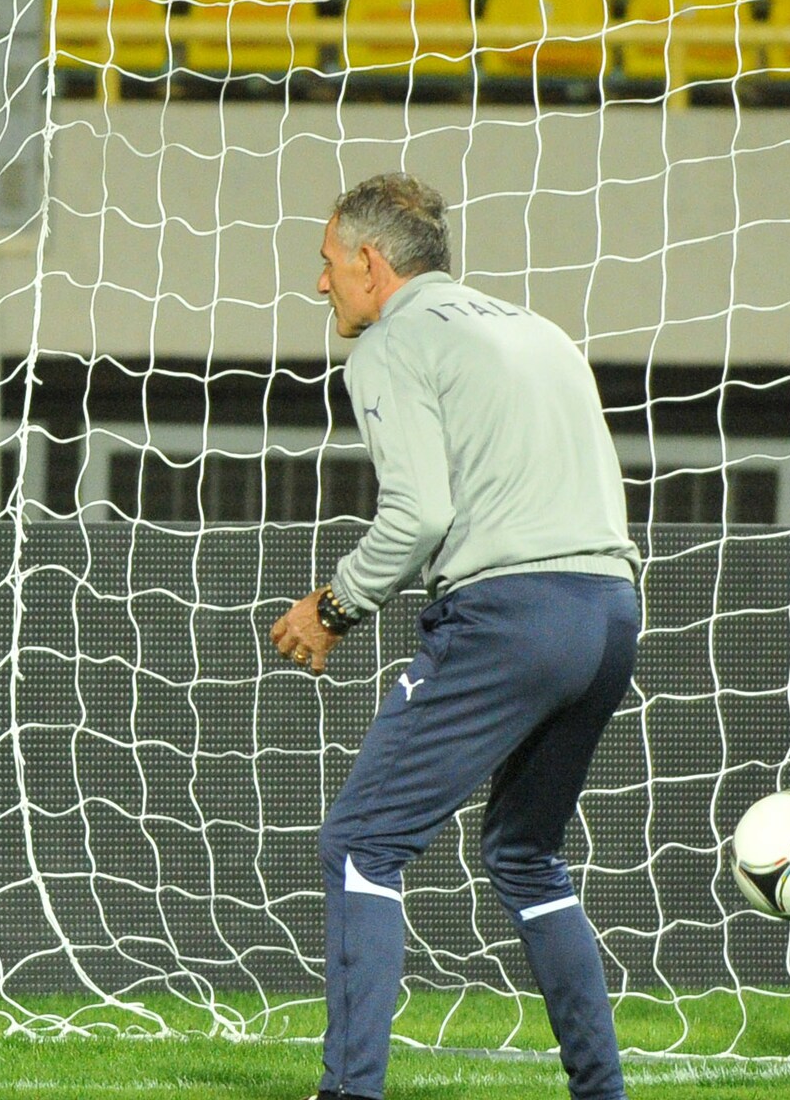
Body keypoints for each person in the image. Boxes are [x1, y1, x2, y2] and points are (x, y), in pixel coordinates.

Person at [269, 173, 641, 1100]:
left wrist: (336, 607)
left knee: (361, 842)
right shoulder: (542, 332)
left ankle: (348, 1091)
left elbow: (419, 516)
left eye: (326, 266)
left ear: (370, 263)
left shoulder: (392, 345)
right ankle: (602, 1092)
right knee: (524, 854)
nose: (320, 287)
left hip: (511, 616)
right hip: (611, 611)